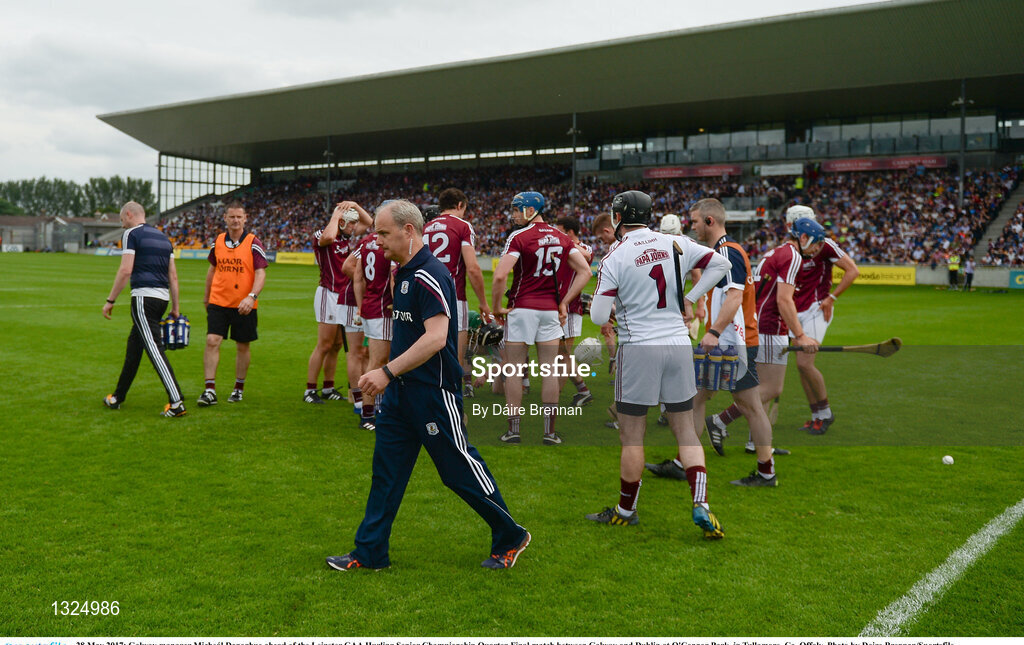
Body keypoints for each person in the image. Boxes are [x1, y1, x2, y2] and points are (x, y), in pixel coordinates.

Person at [326, 200, 530, 571]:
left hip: (433, 392)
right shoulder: (403, 270)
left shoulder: (428, 274)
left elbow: (436, 338)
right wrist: (392, 377)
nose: (378, 241)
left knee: (459, 471)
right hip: (401, 395)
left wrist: (385, 372)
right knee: (386, 472)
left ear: (408, 231)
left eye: (384, 234)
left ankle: (510, 534)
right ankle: (370, 552)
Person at [587, 190, 730, 538]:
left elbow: (597, 315)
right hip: (678, 344)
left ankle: (626, 510)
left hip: (639, 348)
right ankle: (702, 504)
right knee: (685, 430)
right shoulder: (675, 242)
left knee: (633, 436)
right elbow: (721, 264)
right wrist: (691, 298)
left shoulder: (615, 256)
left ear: (618, 218)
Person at [647, 198, 779, 486]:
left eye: (695, 222)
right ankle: (685, 462)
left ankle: (767, 472)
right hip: (725, 342)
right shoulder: (721, 251)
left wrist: (714, 332)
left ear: (709, 221)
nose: (692, 227)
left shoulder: (728, 253)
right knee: (695, 398)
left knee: (750, 406)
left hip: (733, 343)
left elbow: (733, 296)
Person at [705, 217, 826, 438]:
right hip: (770, 327)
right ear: (805, 238)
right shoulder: (793, 257)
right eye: (818, 242)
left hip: (762, 323)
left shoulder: (777, 252)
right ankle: (719, 421)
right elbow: (784, 300)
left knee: (761, 387)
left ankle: (755, 443)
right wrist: (800, 336)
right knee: (770, 389)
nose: (819, 248)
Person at [491, 191, 592, 445]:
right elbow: (586, 271)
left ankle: (513, 430)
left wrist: (495, 307)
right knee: (549, 371)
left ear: (530, 209)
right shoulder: (561, 237)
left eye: (516, 209)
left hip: (522, 308)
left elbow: (500, 276)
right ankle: (549, 433)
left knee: (513, 370)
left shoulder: (518, 236)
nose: (513, 214)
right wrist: (565, 302)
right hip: (550, 311)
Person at [102, 201, 186, 417]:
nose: (122, 225)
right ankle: (118, 397)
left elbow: (125, 270)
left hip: (143, 298)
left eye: (122, 220)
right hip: (162, 299)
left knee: (154, 349)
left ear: (129, 214)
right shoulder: (163, 237)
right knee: (134, 348)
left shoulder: (131, 234)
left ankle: (176, 402)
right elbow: (173, 276)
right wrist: (175, 307)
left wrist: (110, 300)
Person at [787, 205, 859, 434]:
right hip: (794, 312)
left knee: (804, 363)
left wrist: (831, 298)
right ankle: (816, 416)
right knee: (801, 368)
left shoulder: (825, 245)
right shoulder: (790, 248)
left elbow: (852, 271)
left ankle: (826, 413)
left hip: (817, 310)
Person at [422, 188, 492, 398]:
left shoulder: (424, 228)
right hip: (452, 296)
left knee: (426, 348)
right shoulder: (463, 226)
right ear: (460, 205)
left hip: (424, 293)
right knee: (454, 352)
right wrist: (482, 302)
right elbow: (472, 268)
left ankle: (428, 395)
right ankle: (451, 398)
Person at [197, 202, 268, 406]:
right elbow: (212, 269)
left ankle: (238, 387)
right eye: (232, 217)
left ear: (245, 218)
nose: (235, 220)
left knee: (242, 346)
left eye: (239, 217)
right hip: (219, 301)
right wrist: (206, 296)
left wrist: (251, 296)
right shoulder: (218, 241)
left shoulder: (254, 242)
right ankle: (209, 390)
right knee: (212, 340)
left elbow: (261, 273)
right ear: (225, 218)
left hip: (244, 304)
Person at [305, 203, 373, 404]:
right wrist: (336, 214)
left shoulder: (346, 236)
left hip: (343, 295)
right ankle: (310, 390)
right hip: (328, 294)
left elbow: (369, 222)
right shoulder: (323, 235)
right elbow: (327, 238)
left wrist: (354, 206)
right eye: (350, 223)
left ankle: (328, 386)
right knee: (324, 344)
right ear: (341, 222)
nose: (354, 227)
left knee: (336, 345)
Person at [350, 203, 397, 432]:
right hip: (382, 310)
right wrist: (396, 302)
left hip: (369, 307)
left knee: (375, 360)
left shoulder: (366, 241)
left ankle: (375, 410)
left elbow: (357, 276)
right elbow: (392, 277)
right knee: (378, 363)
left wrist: (360, 306)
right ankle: (369, 415)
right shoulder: (387, 242)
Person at [554, 216, 594, 406]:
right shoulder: (559, 248)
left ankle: (562, 392)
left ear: (570, 232)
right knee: (558, 353)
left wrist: (564, 243)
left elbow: (586, 257)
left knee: (563, 354)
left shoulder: (585, 248)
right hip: (556, 306)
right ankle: (581, 389)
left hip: (570, 308)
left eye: (559, 230)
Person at [592, 212, 621, 429]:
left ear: (608, 231)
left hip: (631, 319)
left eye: (602, 239)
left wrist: (605, 316)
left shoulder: (615, 251)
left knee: (628, 372)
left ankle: (621, 415)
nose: (603, 244)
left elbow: (609, 289)